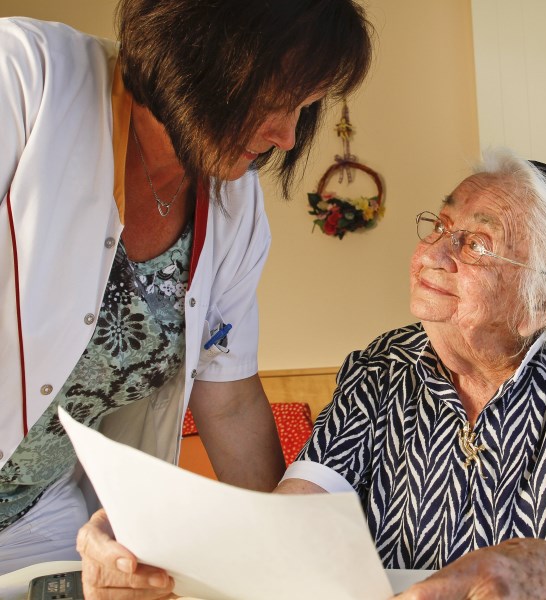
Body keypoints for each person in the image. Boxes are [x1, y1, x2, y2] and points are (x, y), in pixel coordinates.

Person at [78, 148, 546, 598]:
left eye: (477, 242)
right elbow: (291, 526)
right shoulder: (381, 371)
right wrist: (151, 541)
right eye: (441, 223)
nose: (433, 249)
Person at [0, 0, 372, 576]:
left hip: (36, 516)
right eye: (273, 103)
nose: (286, 135)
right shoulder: (26, 77)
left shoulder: (234, 206)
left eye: (304, 108)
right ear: (195, 56)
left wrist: (291, 563)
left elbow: (229, 401)